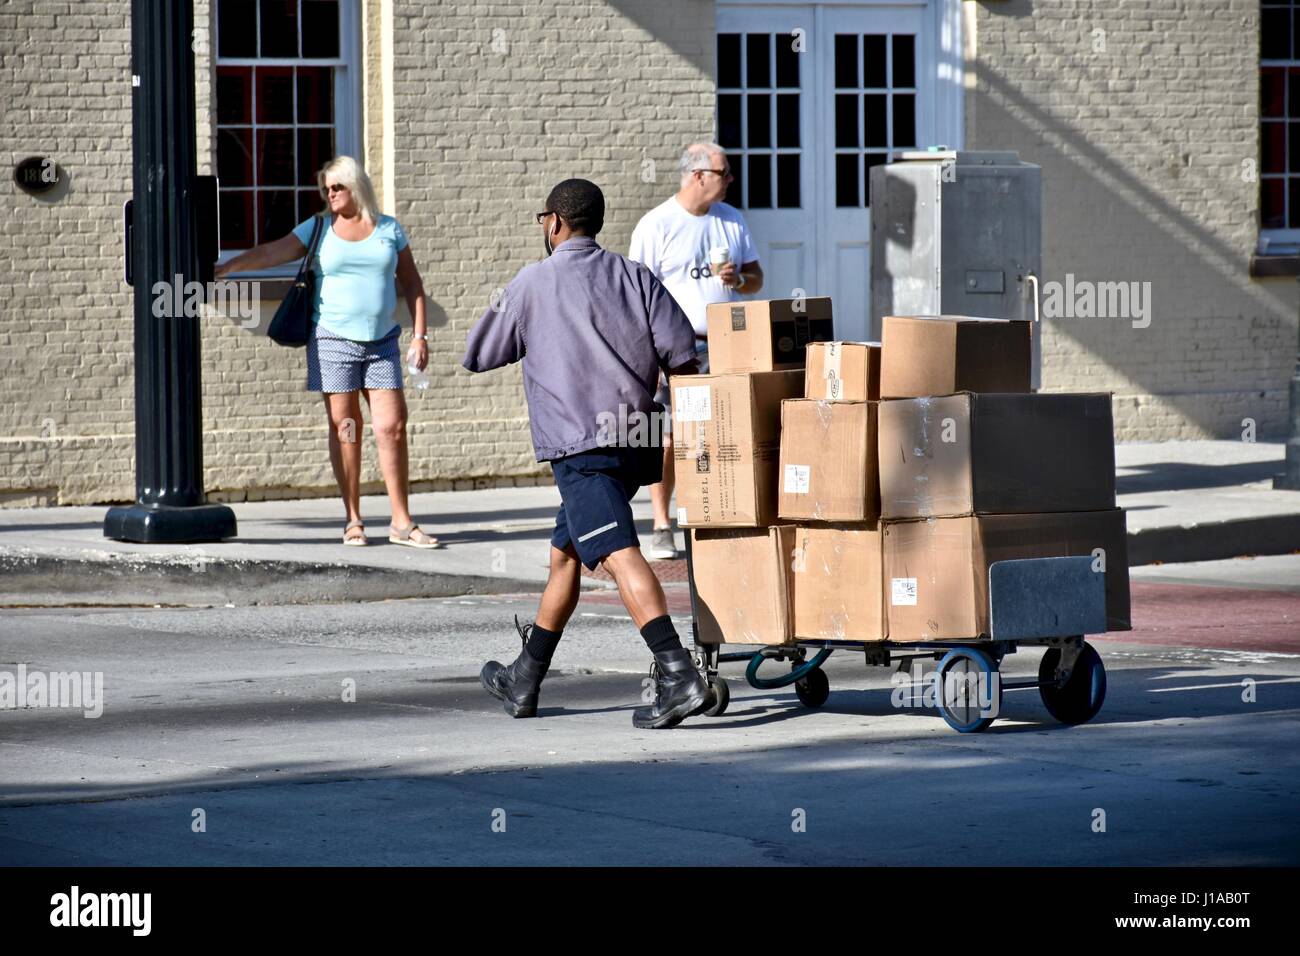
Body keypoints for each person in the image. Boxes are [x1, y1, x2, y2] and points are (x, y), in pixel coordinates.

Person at [463, 178, 711, 729]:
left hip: (582, 447)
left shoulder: (532, 282)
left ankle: (677, 673)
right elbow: (683, 356)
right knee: (567, 555)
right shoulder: (634, 275)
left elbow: (479, 353)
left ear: (553, 222)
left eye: (542, 220)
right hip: (636, 439)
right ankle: (525, 676)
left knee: (619, 553)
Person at [215, 156, 440, 549]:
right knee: (347, 429)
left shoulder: (389, 230)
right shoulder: (319, 228)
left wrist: (419, 336)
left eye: (337, 187)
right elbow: (273, 252)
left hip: (383, 342)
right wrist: (229, 265)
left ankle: (402, 522)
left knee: (392, 427)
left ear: (356, 187)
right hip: (332, 341)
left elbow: (412, 284)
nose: (330, 194)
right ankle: (353, 519)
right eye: (327, 189)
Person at [628, 142, 764, 560]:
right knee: (667, 437)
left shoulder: (731, 220)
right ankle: (662, 523)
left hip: (723, 343)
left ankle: (713, 513)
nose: (730, 181)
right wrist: (645, 356)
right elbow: (636, 294)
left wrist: (738, 279)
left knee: (718, 433)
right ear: (698, 175)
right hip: (670, 348)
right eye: (724, 173)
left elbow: (756, 278)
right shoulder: (657, 225)